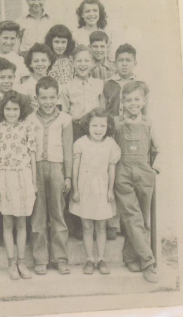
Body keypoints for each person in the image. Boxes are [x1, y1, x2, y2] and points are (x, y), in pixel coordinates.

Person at [25, 76, 73, 275]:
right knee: (38, 215)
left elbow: (68, 149)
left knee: (58, 214)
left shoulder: (65, 119)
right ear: (36, 98)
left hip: (56, 169)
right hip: (35, 169)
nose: (48, 102)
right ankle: (40, 259)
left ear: (57, 97)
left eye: (52, 97)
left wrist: (68, 176)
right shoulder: (29, 119)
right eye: (43, 98)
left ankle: (60, 258)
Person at [113, 81, 160, 283]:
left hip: (144, 174)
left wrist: (155, 169)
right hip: (122, 173)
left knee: (143, 218)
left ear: (144, 101)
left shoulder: (149, 123)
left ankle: (132, 257)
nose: (133, 103)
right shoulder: (116, 124)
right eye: (129, 100)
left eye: (137, 99)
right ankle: (148, 263)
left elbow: (160, 148)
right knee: (133, 217)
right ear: (122, 102)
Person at [0, 91, 36, 280]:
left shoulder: (27, 128)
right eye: (7, 109)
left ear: (21, 110)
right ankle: (11, 263)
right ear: (3, 110)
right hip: (4, 176)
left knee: (21, 221)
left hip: (23, 176)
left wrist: (33, 182)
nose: (11, 113)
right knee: (7, 222)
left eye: (15, 109)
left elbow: (32, 156)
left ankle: (22, 261)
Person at [70, 108, 121, 275]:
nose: (98, 129)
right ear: (87, 125)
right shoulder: (81, 143)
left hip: (102, 189)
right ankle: (89, 259)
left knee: (101, 226)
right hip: (85, 188)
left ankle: (101, 259)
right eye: (94, 125)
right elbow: (75, 170)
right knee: (86, 226)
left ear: (108, 127)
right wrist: (76, 190)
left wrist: (110, 190)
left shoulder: (110, 144)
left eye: (102, 126)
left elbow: (111, 169)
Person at [61, 45, 105, 143]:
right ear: (72, 63)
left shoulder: (99, 84)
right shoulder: (67, 87)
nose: (83, 64)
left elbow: (103, 109)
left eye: (86, 61)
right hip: (76, 129)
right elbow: (64, 113)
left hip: (96, 129)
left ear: (92, 63)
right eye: (79, 61)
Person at [0, 21, 29, 96]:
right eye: (5, 38)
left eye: (12, 38)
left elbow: (26, 88)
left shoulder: (21, 60)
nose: (9, 42)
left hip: (16, 103)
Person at [0, 56, 32, 124]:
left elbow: (29, 123)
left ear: (14, 77)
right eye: (2, 77)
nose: (6, 81)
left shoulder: (24, 99)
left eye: (10, 77)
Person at [103, 44, 139, 117]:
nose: (124, 64)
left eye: (128, 60)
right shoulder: (107, 84)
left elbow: (146, 114)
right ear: (115, 63)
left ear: (135, 64)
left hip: (133, 127)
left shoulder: (139, 84)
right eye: (121, 60)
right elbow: (103, 111)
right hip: (112, 126)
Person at [17, 43, 55, 110]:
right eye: (36, 61)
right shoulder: (23, 88)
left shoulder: (56, 85)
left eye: (43, 60)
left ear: (49, 62)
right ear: (30, 63)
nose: (40, 64)